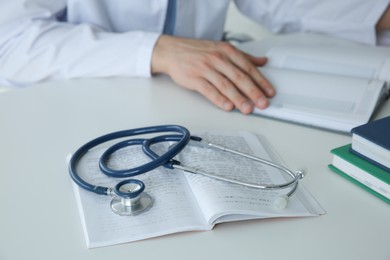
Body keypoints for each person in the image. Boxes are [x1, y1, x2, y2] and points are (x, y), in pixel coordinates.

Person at [0, 1, 389, 114]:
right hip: (71, 109)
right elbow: (10, 43)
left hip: (198, 104)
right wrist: (157, 50)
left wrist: (378, 14)